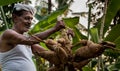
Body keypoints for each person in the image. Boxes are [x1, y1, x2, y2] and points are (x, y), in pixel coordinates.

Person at [0, 3, 65, 71]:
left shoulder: (27, 42)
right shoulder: (8, 34)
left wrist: (65, 45)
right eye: (27, 18)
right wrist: (54, 29)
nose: (30, 22)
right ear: (15, 18)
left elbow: (50, 54)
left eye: (31, 19)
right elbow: (30, 40)